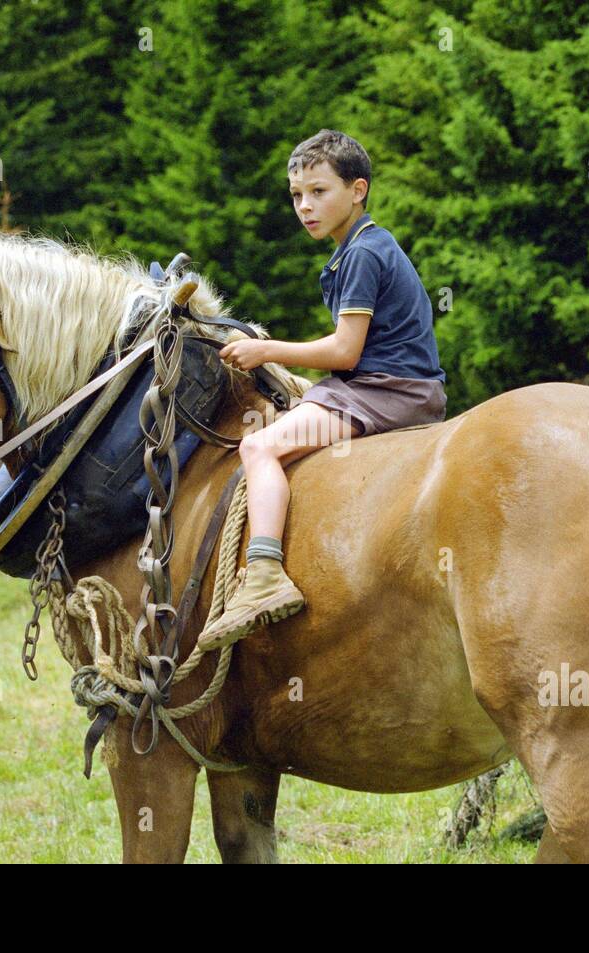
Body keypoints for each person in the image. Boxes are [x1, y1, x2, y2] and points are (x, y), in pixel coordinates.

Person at [195, 129, 447, 653]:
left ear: (358, 190)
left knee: (258, 445)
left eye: (318, 192)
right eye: (296, 196)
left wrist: (266, 351)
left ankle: (263, 575)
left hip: (387, 392)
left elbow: (346, 352)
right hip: (383, 384)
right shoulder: (354, 250)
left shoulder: (361, 254)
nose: (305, 206)